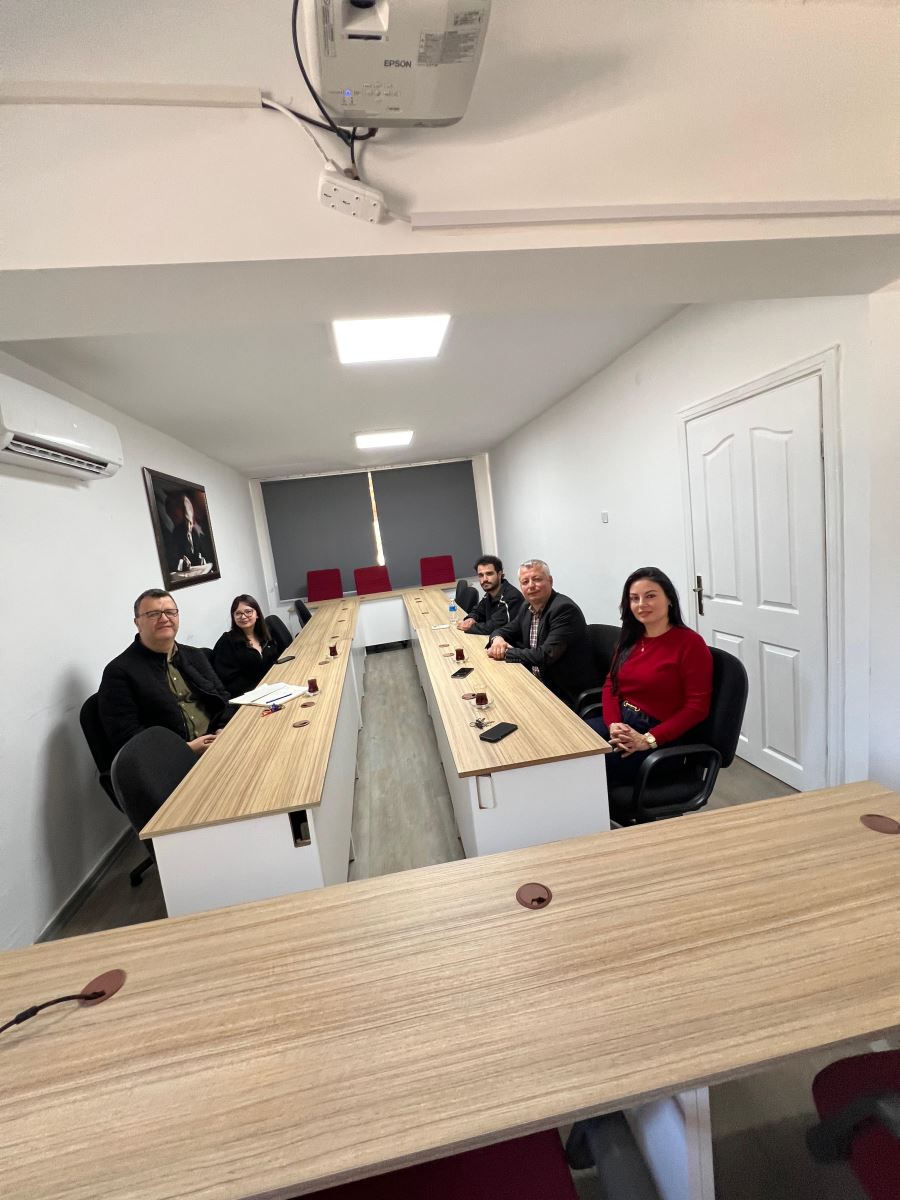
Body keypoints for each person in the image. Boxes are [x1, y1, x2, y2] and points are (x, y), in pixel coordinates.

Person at [593, 567, 713, 785]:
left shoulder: (690, 644)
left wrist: (647, 740)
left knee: (588, 768)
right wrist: (613, 724)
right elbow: (611, 684)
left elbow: (697, 708)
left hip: (660, 736)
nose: (641, 604)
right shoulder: (630, 638)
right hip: (622, 720)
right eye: (634, 598)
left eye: (650, 596)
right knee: (570, 746)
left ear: (669, 599)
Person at [98, 588, 233, 756]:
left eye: (170, 612)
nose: (164, 619)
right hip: (173, 759)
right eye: (153, 614)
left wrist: (223, 729)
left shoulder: (194, 655)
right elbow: (128, 738)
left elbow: (223, 697)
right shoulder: (119, 672)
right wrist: (185, 749)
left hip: (219, 742)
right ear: (137, 622)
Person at [487, 559, 596, 709]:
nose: (531, 585)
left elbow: (545, 655)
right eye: (525, 582)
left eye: (537, 579)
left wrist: (505, 652)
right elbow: (505, 630)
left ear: (550, 581)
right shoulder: (527, 606)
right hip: (536, 684)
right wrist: (497, 639)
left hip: (563, 695)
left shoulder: (563, 609)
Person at [212, 594, 292, 698]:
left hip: (273, 687)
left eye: (248, 611)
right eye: (238, 613)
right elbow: (229, 680)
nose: (243, 616)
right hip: (248, 695)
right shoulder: (227, 642)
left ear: (257, 614)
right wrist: (260, 690)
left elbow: (275, 660)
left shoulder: (265, 635)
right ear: (233, 617)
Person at [457, 555, 524, 637]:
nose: (484, 579)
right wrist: (470, 619)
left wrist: (470, 627)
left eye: (489, 574)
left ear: (499, 574)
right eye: (481, 575)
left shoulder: (512, 597)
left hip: (511, 643)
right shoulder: (490, 593)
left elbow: (494, 627)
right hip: (495, 639)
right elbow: (478, 611)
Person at [165, 492, 213, 572]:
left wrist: (202, 559)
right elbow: (173, 560)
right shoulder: (176, 533)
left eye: (190, 522)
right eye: (187, 521)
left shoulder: (194, 533)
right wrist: (182, 563)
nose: (189, 526)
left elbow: (202, 554)